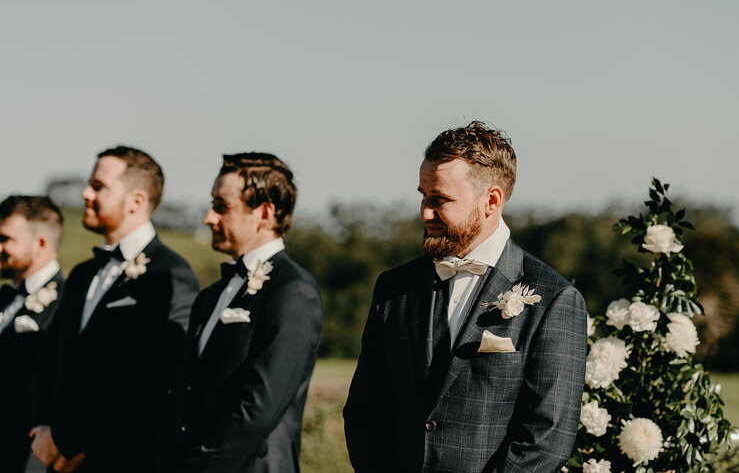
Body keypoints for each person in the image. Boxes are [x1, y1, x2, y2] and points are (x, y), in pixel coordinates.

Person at [343, 121, 587, 473]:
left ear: (491, 201)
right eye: (423, 195)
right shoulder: (394, 287)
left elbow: (546, 437)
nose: (425, 211)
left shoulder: (555, 300)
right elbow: (365, 409)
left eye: (440, 199)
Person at [29, 146, 199, 473]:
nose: (85, 193)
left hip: (121, 458)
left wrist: (72, 440)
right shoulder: (81, 274)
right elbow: (51, 359)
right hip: (54, 459)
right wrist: (44, 431)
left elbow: (149, 380)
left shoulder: (170, 276)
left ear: (136, 201)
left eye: (98, 186)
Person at [176, 153, 322, 473]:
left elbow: (257, 409)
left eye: (221, 206)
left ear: (265, 213)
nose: (208, 218)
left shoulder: (293, 292)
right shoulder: (210, 296)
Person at [0, 196, 65, 473]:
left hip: (25, 455)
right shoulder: (5, 296)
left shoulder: (67, 303)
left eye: (5, 238)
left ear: (40, 243)